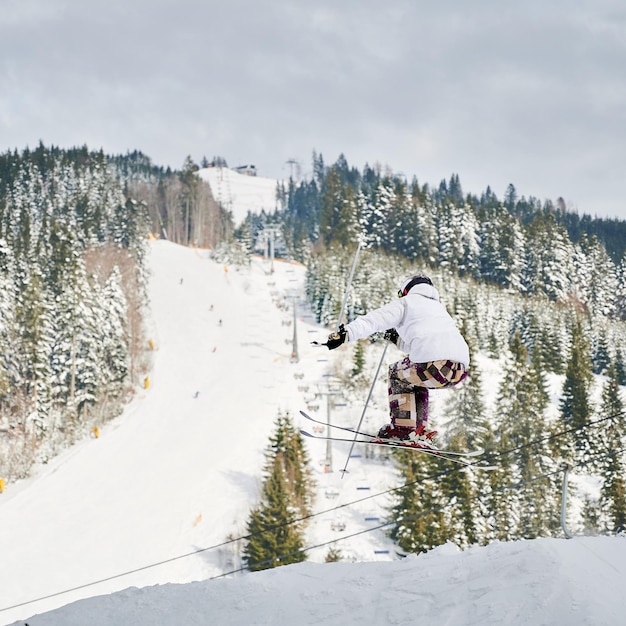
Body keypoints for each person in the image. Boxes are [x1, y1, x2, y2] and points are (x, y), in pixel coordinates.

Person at [324, 274, 469, 446]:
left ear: (405, 291)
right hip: (459, 369)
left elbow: (373, 321)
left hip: (434, 365)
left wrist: (345, 334)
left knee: (396, 373)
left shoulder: (406, 303)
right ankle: (418, 431)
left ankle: (403, 430)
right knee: (414, 379)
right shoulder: (439, 309)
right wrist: (396, 338)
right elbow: (420, 346)